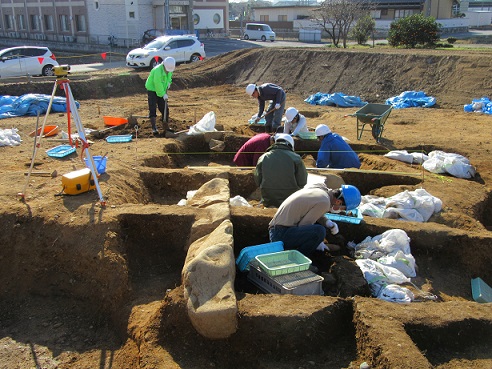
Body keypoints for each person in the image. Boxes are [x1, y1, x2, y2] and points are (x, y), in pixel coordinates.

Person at [268, 183, 361, 258]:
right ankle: (298, 261)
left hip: (277, 229)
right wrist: (318, 243)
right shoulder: (324, 202)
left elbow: (311, 211)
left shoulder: (321, 190)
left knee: (318, 229)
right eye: (342, 208)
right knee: (319, 231)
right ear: (338, 202)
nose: (341, 210)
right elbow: (304, 225)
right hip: (280, 235)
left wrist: (326, 222)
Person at [254, 133, 307, 208]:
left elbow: (257, 179)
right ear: (290, 145)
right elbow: (302, 181)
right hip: (290, 199)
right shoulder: (296, 158)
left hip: (268, 199)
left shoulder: (263, 157)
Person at [145, 56, 175, 136]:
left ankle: (165, 126)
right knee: (152, 108)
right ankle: (154, 127)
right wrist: (163, 94)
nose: (168, 71)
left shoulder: (169, 69)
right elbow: (157, 84)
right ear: (164, 65)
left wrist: (169, 82)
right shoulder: (157, 70)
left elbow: (169, 77)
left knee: (165, 108)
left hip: (162, 90)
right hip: (152, 89)